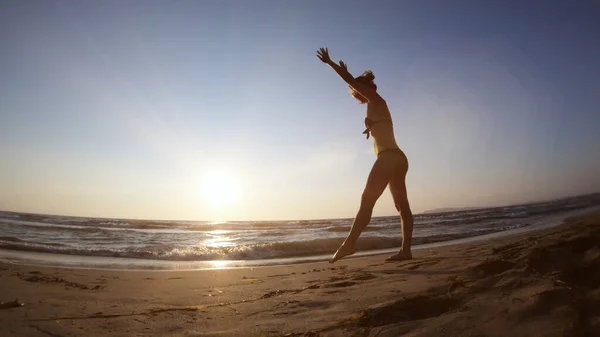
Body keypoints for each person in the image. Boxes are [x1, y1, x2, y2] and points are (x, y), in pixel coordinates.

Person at [316, 47, 414, 263]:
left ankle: (349, 244)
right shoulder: (376, 105)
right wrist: (371, 127)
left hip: (388, 158)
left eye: (357, 90)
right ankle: (406, 250)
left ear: (364, 88)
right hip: (398, 158)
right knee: (401, 206)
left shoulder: (376, 99)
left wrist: (330, 63)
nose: (355, 94)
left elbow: (349, 80)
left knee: (367, 199)